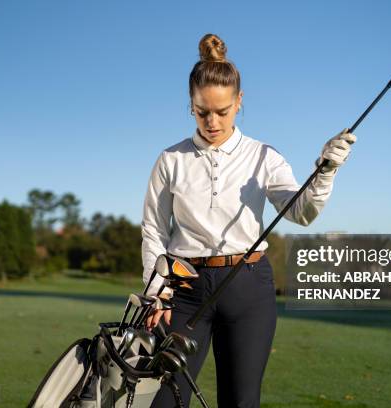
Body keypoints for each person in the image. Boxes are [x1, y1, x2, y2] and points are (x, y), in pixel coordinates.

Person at [141, 33, 356, 408]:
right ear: (190, 105)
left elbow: (300, 212)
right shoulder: (170, 160)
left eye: (222, 111)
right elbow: (154, 230)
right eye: (201, 111)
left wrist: (325, 172)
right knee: (165, 400)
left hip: (248, 286)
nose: (212, 121)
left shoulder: (264, 157)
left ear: (239, 102)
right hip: (183, 289)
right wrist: (155, 290)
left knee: (241, 401)